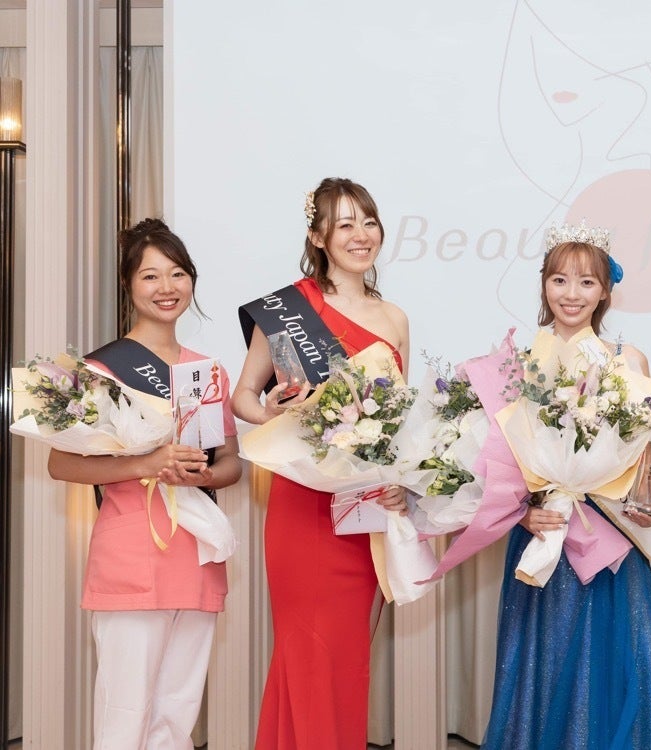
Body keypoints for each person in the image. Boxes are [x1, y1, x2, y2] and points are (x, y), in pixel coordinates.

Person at [481, 223, 651, 749]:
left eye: (586, 282)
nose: (571, 294)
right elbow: (495, 462)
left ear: (605, 291)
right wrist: (521, 513)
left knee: (615, 671)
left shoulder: (627, 361)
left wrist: (650, 503)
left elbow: (647, 445)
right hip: (543, 535)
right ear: (544, 285)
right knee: (544, 669)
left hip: (608, 540)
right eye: (559, 280)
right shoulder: (518, 366)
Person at [47, 218, 242, 749]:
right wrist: (147, 464)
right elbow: (62, 464)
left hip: (196, 553)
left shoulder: (208, 372)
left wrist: (202, 473)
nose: (166, 288)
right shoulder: (104, 369)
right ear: (129, 285)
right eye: (151, 276)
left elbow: (231, 463)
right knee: (126, 711)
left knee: (177, 712)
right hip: (132, 552)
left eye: (177, 274)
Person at [233, 178, 410, 750]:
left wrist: (401, 481)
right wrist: (274, 413)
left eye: (369, 222)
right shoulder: (288, 309)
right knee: (307, 653)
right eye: (344, 224)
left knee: (347, 660)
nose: (361, 235)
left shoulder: (394, 318)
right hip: (302, 504)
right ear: (317, 236)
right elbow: (243, 397)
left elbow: (397, 419)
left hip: (362, 508)